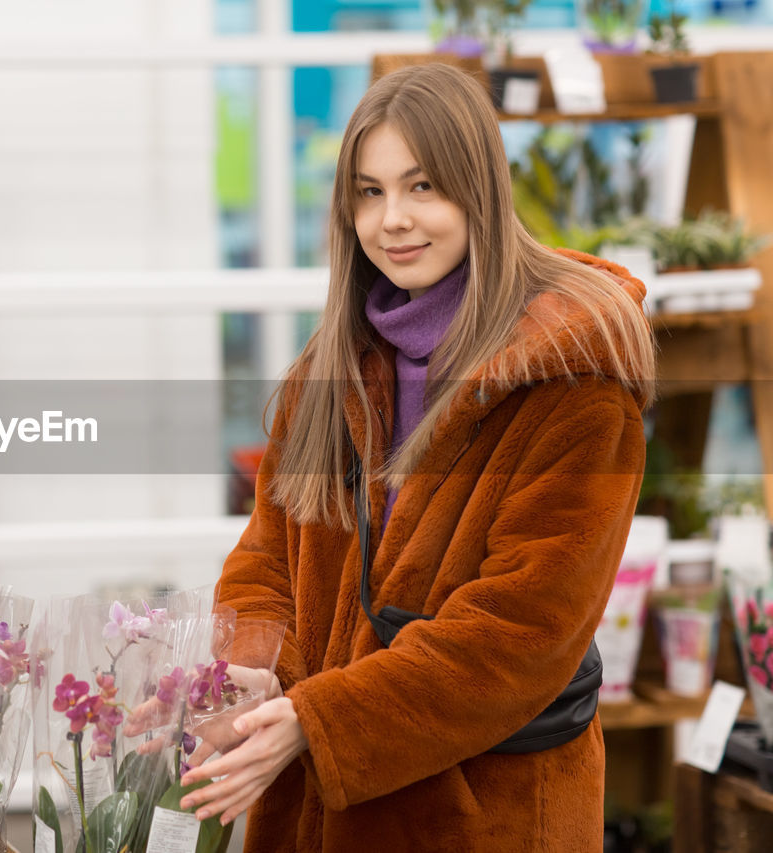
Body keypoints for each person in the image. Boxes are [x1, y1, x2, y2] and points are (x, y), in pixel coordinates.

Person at [177, 62, 656, 850]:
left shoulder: (573, 382)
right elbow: (268, 555)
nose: (392, 219)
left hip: (482, 814)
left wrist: (320, 718)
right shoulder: (332, 368)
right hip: (317, 813)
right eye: (369, 192)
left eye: (422, 186)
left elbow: (520, 630)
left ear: (480, 189)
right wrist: (257, 665)